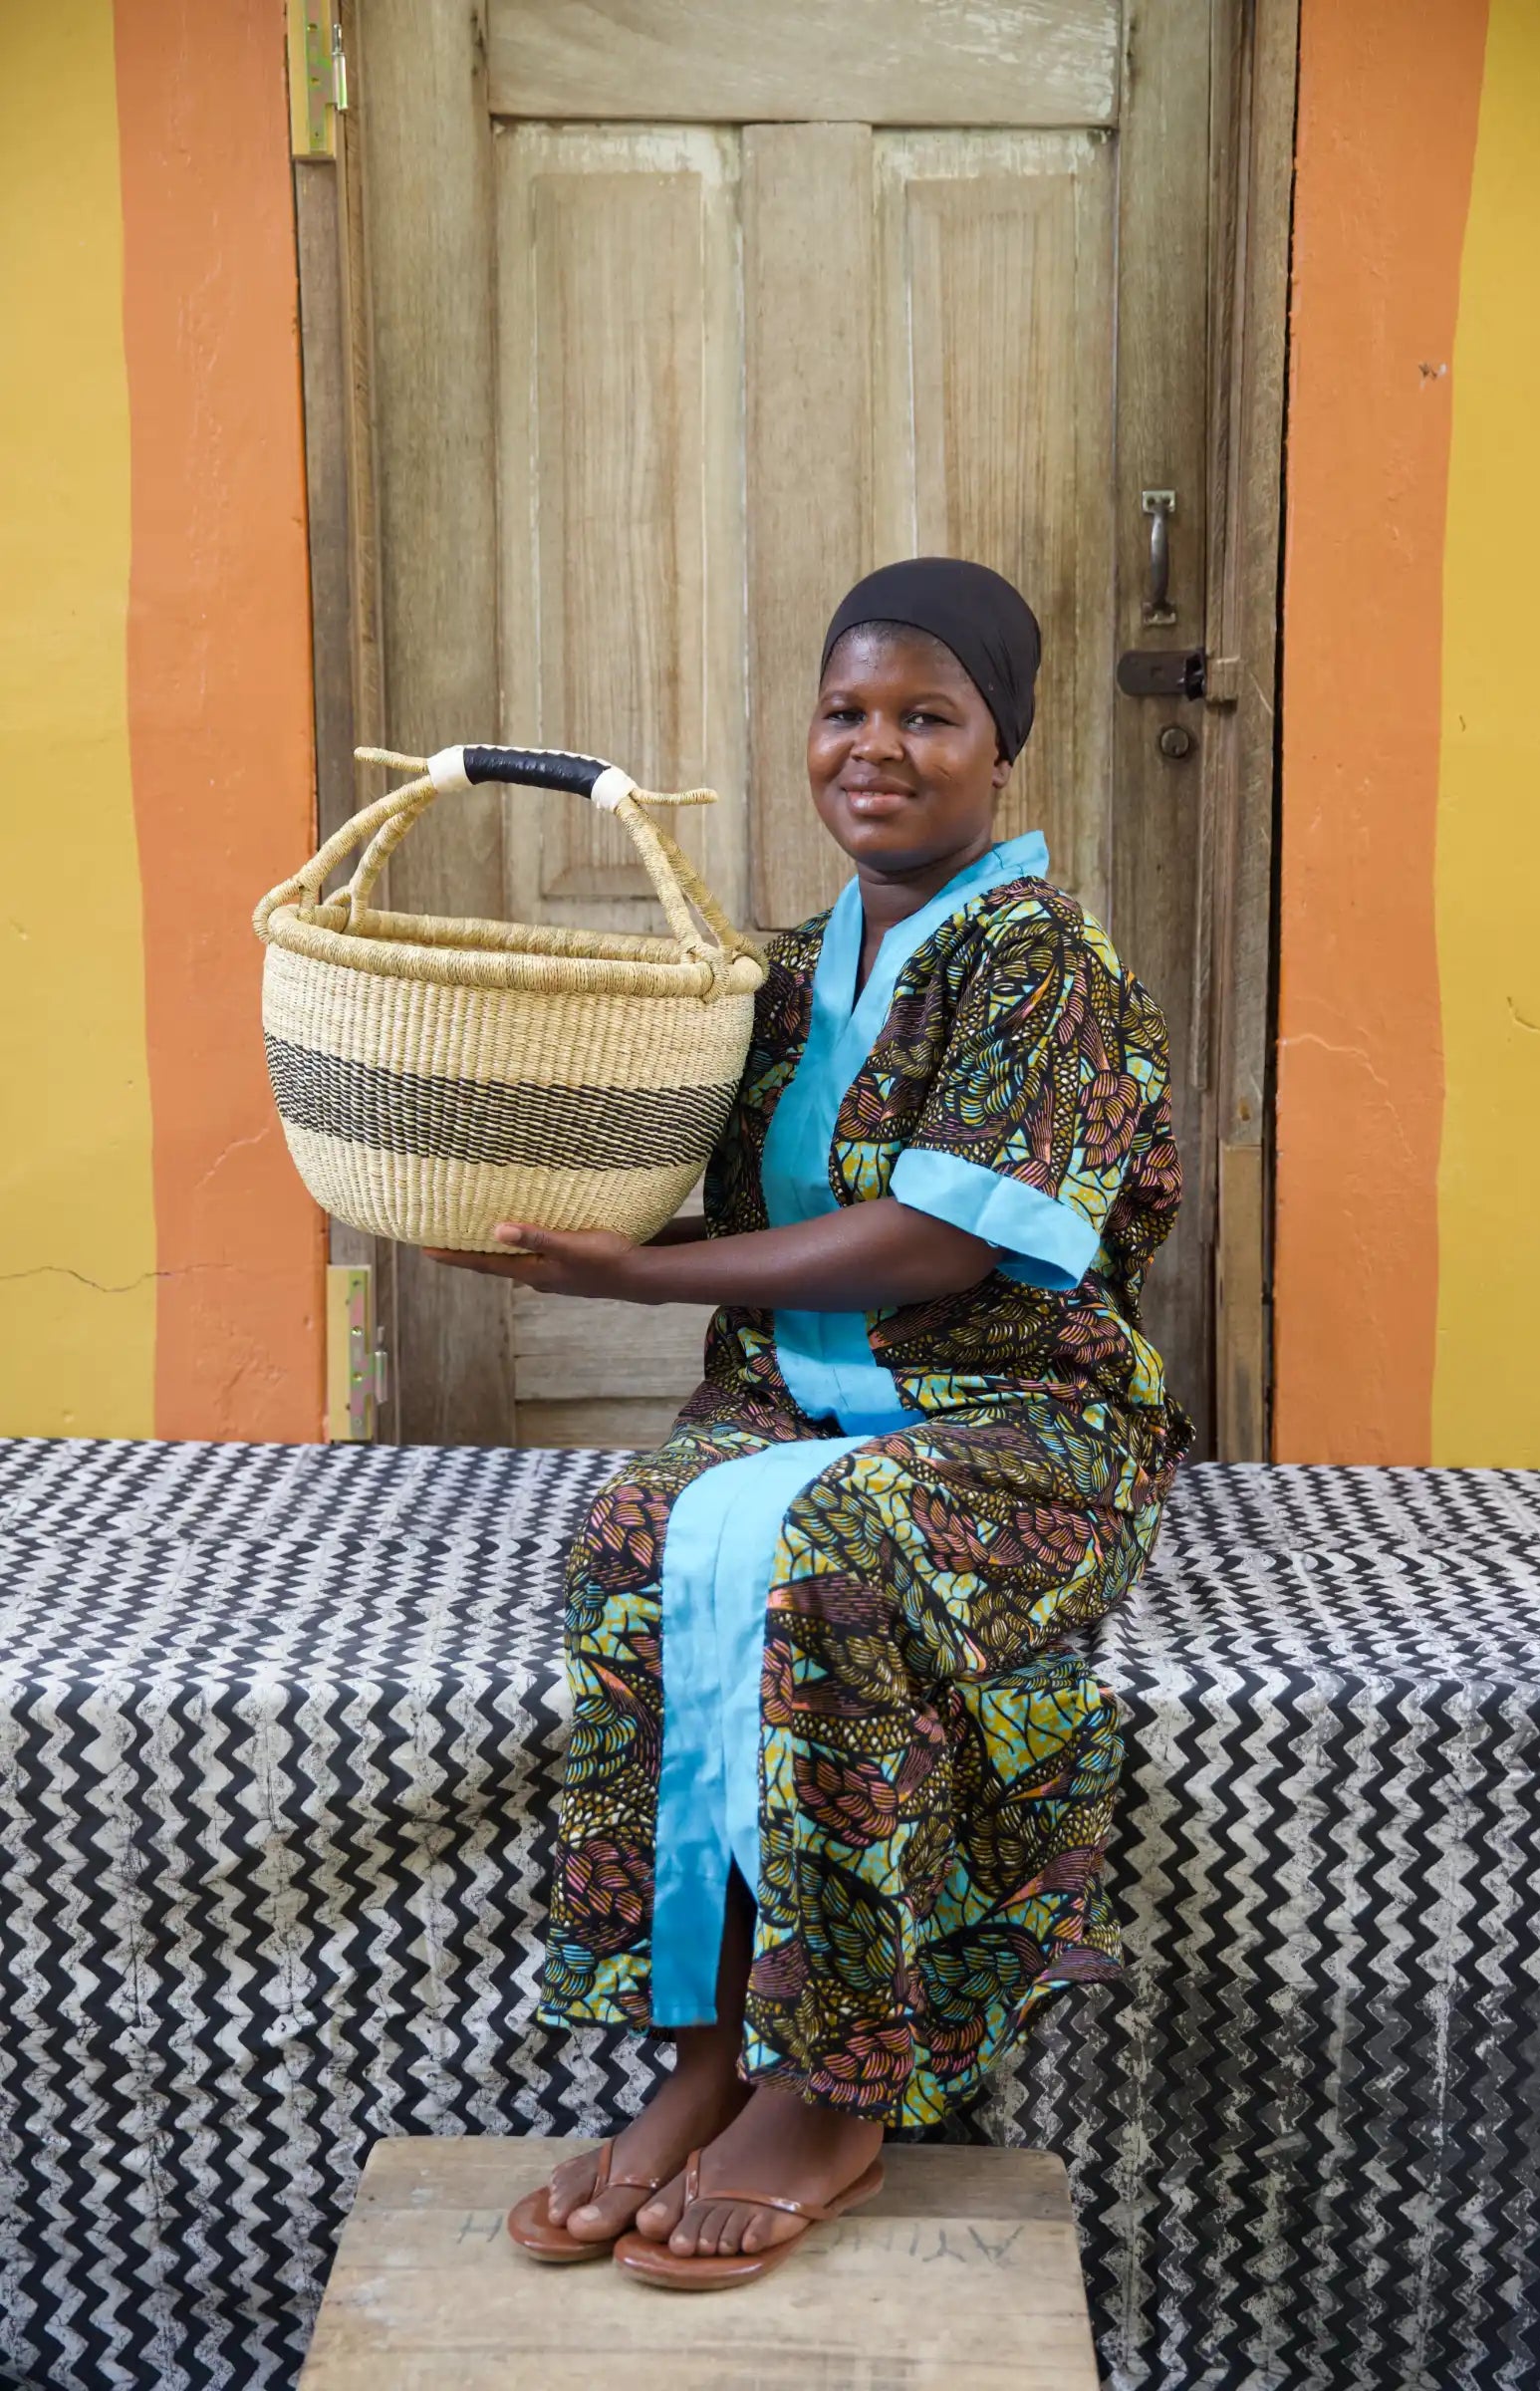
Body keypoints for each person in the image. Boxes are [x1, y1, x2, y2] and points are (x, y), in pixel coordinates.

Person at [430, 557, 1191, 2289]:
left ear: (1007, 745)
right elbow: (724, 1215)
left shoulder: (1043, 962)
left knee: (835, 1564)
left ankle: (835, 2084)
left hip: (1012, 1422)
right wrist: (540, 1215)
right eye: (847, 712)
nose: (878, 749)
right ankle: (700, 2053)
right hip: (784, 1397)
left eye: (929, 716)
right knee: (645, 1534)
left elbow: (945, 1234)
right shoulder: (781, 970)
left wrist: (634, 1287)